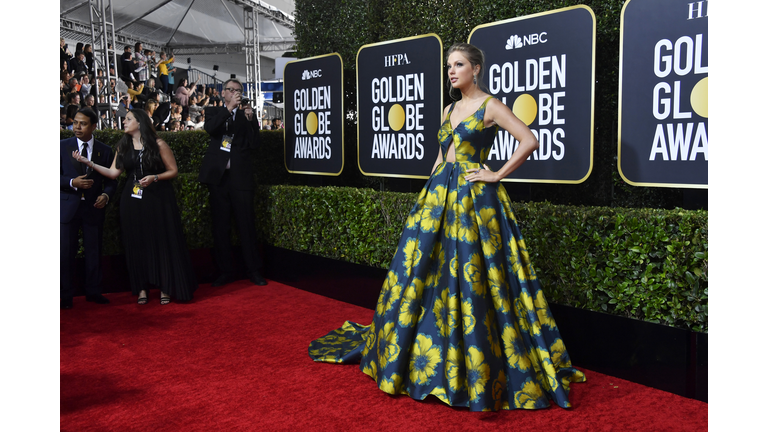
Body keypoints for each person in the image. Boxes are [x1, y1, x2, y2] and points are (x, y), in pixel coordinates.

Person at [307, 43, 585, 411]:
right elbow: (442, 155)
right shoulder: (450, 108)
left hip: (474, 200)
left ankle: (480, 362)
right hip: (440, 197)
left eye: (458, 65)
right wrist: (429, 194)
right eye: (448, 65)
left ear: (476, 68)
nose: (451, 71)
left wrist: (496, 174)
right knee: (426, 272)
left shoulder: (491, 105)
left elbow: (529, 139)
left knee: (475, 274)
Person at [73, 109, 197, 304]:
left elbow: (173, 170)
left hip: (158, 199)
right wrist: (90, 163)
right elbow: (113, 173)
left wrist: (155, 177)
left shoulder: (158, 144)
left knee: (160, 241)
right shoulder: (123, 146)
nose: (124, 121)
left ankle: (165, 286)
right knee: (136, 242)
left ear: (139, 123)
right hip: (131, 201)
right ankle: (141, 289)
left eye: (128, 119)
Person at [198, 79, 266, 287]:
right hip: (218, 178)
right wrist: (228, 109)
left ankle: (253, 270)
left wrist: (251, 119)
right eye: (231, 90)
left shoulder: (246, 114)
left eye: (238, 91)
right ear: (224, 93)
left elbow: (255, 144)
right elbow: (211, 129)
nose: (235, 93)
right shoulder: (213, 112)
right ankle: (225, 271)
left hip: (241, 177)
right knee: (220, 226)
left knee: (246, 224)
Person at [60, 108, 117, 309]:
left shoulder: (105, 150)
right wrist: (71, 182)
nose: (77, 127)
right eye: (75, 122)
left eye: (82, 123)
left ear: (94, 126)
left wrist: (106, 194)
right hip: (68, 208)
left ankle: (93, 291)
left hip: (94, 208)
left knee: (94, 251)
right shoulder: (61, 147)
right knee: (65, 252)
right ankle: (64, 294)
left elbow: (112, 179)